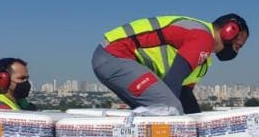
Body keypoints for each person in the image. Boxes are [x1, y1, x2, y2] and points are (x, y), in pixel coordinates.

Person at [92, 14, 249, 114]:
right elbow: (173, 81)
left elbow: (184, 94)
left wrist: (197, 126)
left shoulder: (204, 60)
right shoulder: (203, 38)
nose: (237, 50)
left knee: (167, 109)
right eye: (239, 45)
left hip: (113, 59)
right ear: (230, 31)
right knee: (169, 108)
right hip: (115, 54)